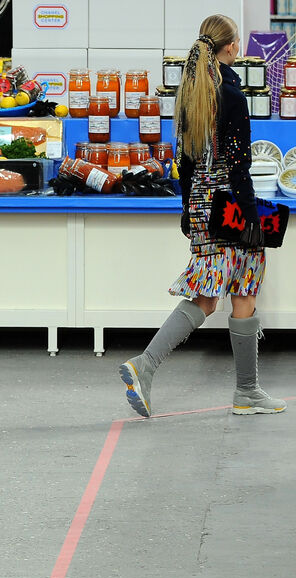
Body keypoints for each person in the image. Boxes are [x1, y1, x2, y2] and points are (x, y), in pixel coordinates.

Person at [119, 14, 285, 418]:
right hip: (228, 203)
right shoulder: (231, 92)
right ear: (232, 47)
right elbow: (238, 162)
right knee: (228, 290)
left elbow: (186, 162)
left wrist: (186, 209)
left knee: (225, 291)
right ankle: (150, 366)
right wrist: (250, 215)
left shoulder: (191, 91)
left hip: (199, 202)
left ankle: (243, 390)